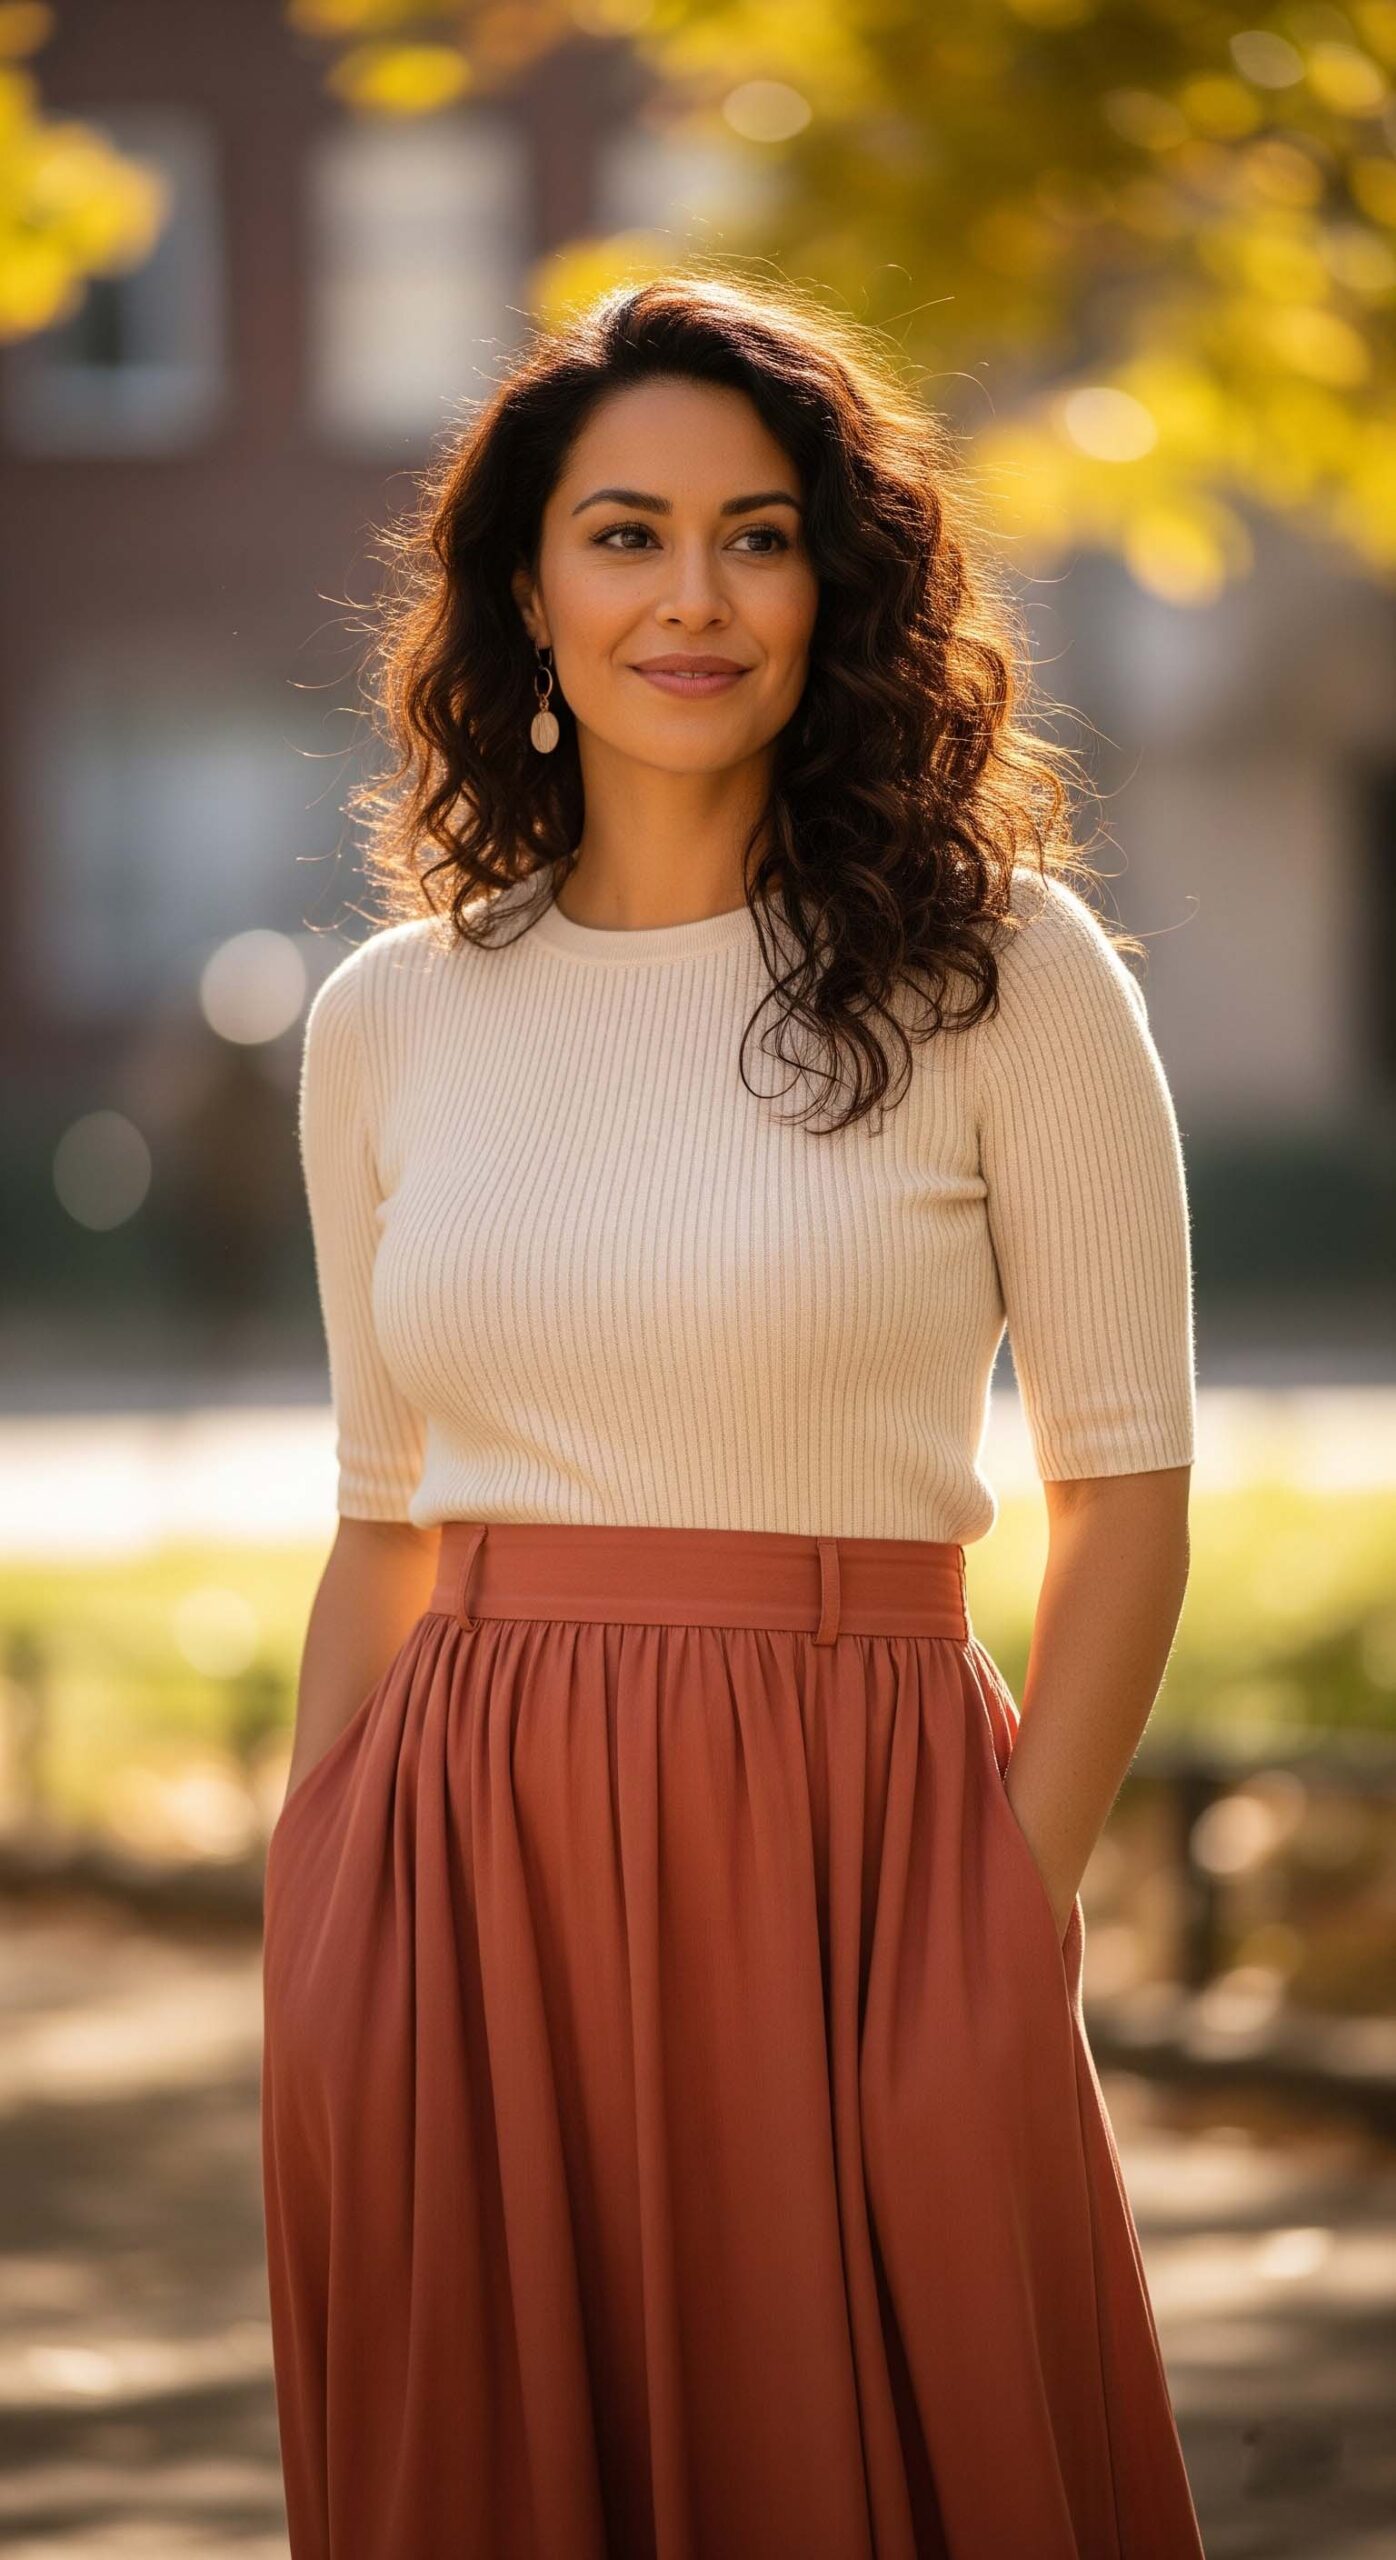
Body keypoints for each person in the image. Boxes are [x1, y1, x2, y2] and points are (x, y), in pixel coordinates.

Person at [260, 273, 1206, 2559]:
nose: (691, 595)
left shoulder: (1002, 969)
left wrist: (1007, 1917)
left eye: (758, 535)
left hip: (862, 1846)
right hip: (452, 1866)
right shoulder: (388, 1019)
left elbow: (1128, 1495)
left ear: (833, 586)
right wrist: (315, 1903)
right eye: (623, 532)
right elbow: (382, 1518)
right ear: (523, 586)